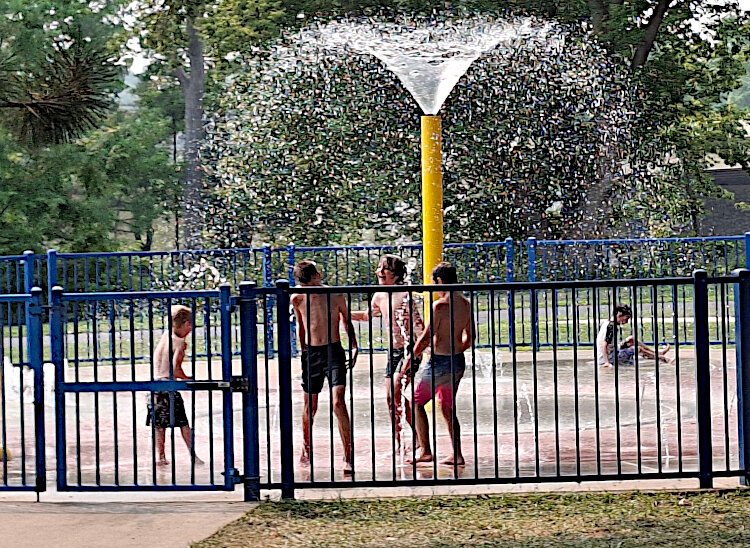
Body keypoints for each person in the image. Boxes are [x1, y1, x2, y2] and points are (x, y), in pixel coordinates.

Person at [401, 262, 473, 466]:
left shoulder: (440, 306)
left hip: (439, 362)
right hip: (457, 361)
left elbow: (425, 337)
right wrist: (456, 349)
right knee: (448, 407)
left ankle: (425, 450)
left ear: (439, 281)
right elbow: (471, 337)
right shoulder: (465, 303)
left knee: (415, 402)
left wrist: (410, 359)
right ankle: (457, 454)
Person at [291, 260, 358, 475]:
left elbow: (346, 320)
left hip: (333, 351)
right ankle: (306, 447)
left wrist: (354, 346)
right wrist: (303, 353)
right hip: (312, 352)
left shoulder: (334, 294)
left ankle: (348, 454)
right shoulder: (298, 297)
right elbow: (301, 327)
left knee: (338, 402)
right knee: (310, 405)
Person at [351, 255, 424, 447]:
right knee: (391, 397)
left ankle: (418, 438)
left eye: (385, 269)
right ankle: (399, 440)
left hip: (409, 351)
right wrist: (342, 313)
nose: (380, 272)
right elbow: (368, 316)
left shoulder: (404, 295)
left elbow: (419, 327)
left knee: (396, 389)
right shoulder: (379, 295)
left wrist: (419, 351)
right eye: (379, 268)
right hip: (392, 353)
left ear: (397, 274)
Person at [147, 305, 203, 466]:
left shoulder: (166, 336)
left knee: (159, 425)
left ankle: (161, 457)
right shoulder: (180, 343)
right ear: (185, 324)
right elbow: (175, 368)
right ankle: (193, 455)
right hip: (168, 386)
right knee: (183, 423)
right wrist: (187, 378)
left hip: (154, 385)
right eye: (190, 325)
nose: (191, 329)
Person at [597, 304, 672, 367]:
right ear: (619, 315)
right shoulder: (612, 327)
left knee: (631, 339)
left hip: (613, 351)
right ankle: (662, 358)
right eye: (626, 318)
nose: (626, 322)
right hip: (610, 358)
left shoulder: (608, 322)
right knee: (637, 349)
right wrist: (606, 362)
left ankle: (658, 353)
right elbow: (604, 344)